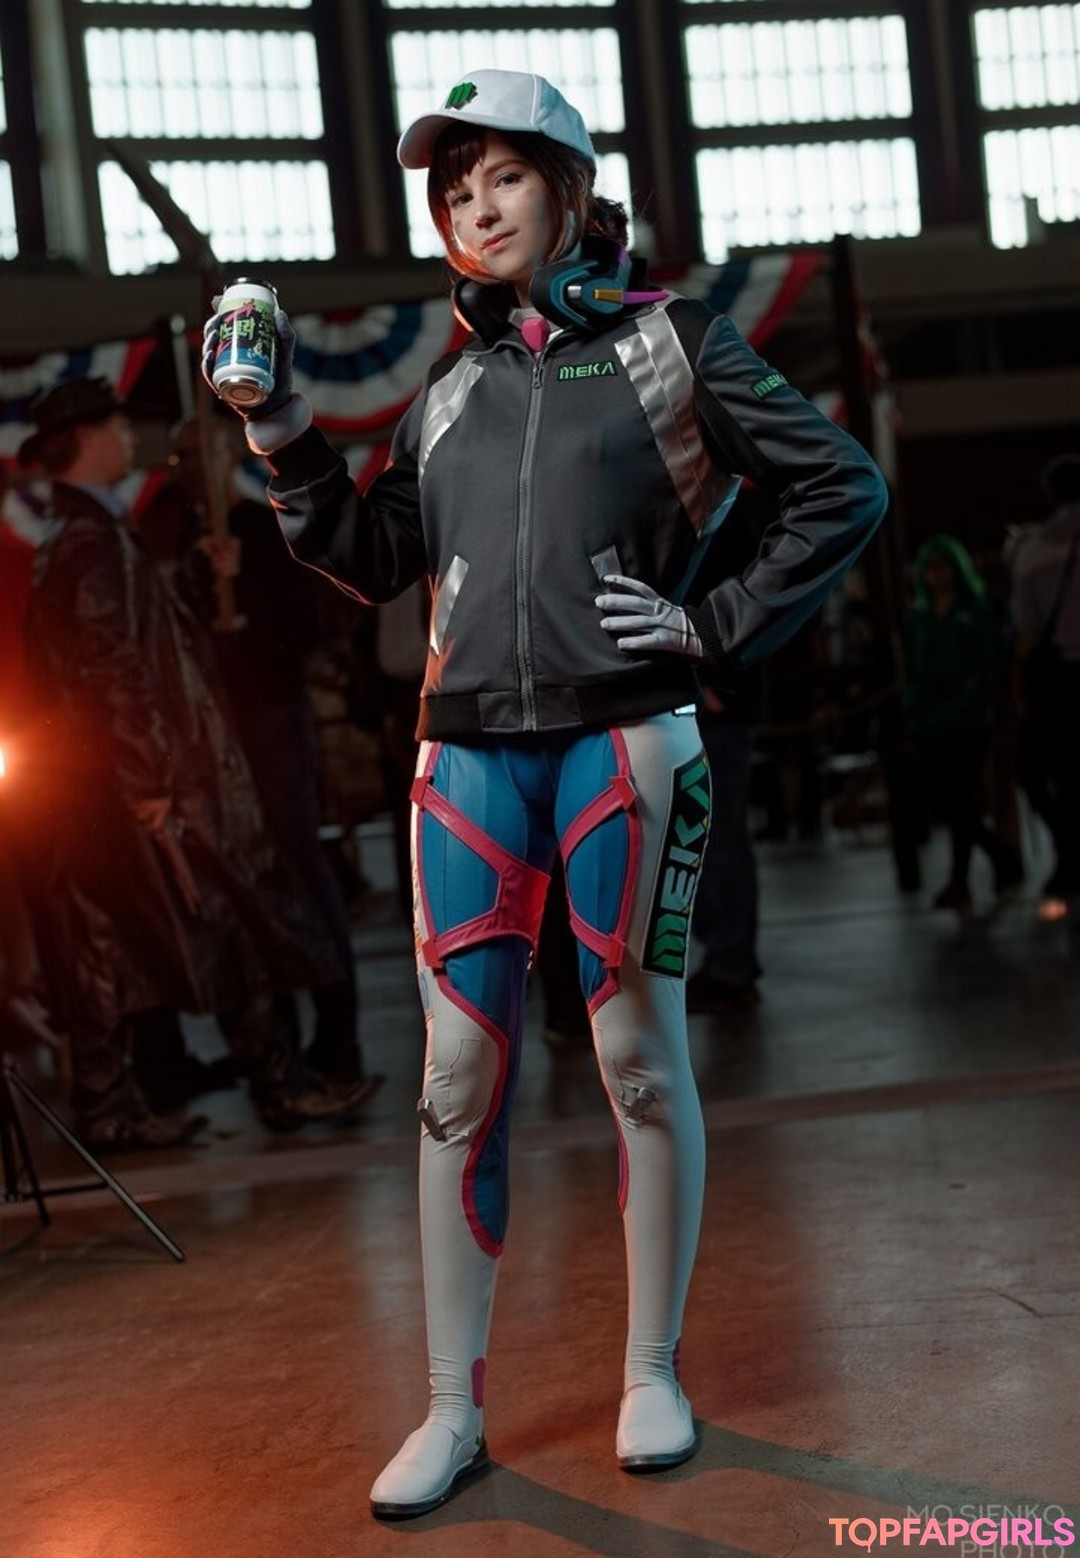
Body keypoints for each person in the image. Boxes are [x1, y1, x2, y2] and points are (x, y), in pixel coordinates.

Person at [202, 69, 887, 1516]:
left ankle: (652, 1370)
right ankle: (451, 1410)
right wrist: (277, 424)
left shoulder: (674, 345)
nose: (476, 206)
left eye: (504, 176)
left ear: (569, 188)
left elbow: (842, 486)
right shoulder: (447, 391)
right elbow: (370, 554)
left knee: (638, 1058)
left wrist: (714, 623)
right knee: (455, 1082)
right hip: (463, 756)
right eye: (454, 191)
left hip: (626, 742)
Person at [19, 376, 380, 1149]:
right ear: (85, 441)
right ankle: (264, 1086)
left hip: (117, 781)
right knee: (203, 922)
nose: (130, 440)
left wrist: (189, 580)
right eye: (117, 428)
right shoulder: (89, 542)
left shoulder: (88, 535)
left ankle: (148, 1099)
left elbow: (135, 642)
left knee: (159, 931)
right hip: (135, 784)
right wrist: (150, 781)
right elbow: (113, 668)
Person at [140, 416, 371, 1086]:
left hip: (270, 722)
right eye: (177, 457)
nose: (186, 467)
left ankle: (338, 1033)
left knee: (298, 866)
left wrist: (245, 590)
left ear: (222, 456)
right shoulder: (186, 536)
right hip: (219, 734)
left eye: (195, 453)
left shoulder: (265, 530)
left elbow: (305, 630)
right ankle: (281, 1041)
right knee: (250, 881)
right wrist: (201, 580)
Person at [904, 534, 1021, 913]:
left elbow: (987, 666)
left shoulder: (974, 610)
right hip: (932, 723)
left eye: (943, 566)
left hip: (968, 721)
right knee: (953, 804)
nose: (937, 574)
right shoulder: (921, 617)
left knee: (962, 802)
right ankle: (1000, 855)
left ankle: (963, 878)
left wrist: (974, 692)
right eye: (931, 567)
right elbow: (917, 672)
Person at [1009, 454, 1080, 919]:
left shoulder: (1034, 550)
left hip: (1062, 678)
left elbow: (1026, 625)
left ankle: (1069, 852)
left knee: (1051, 772)